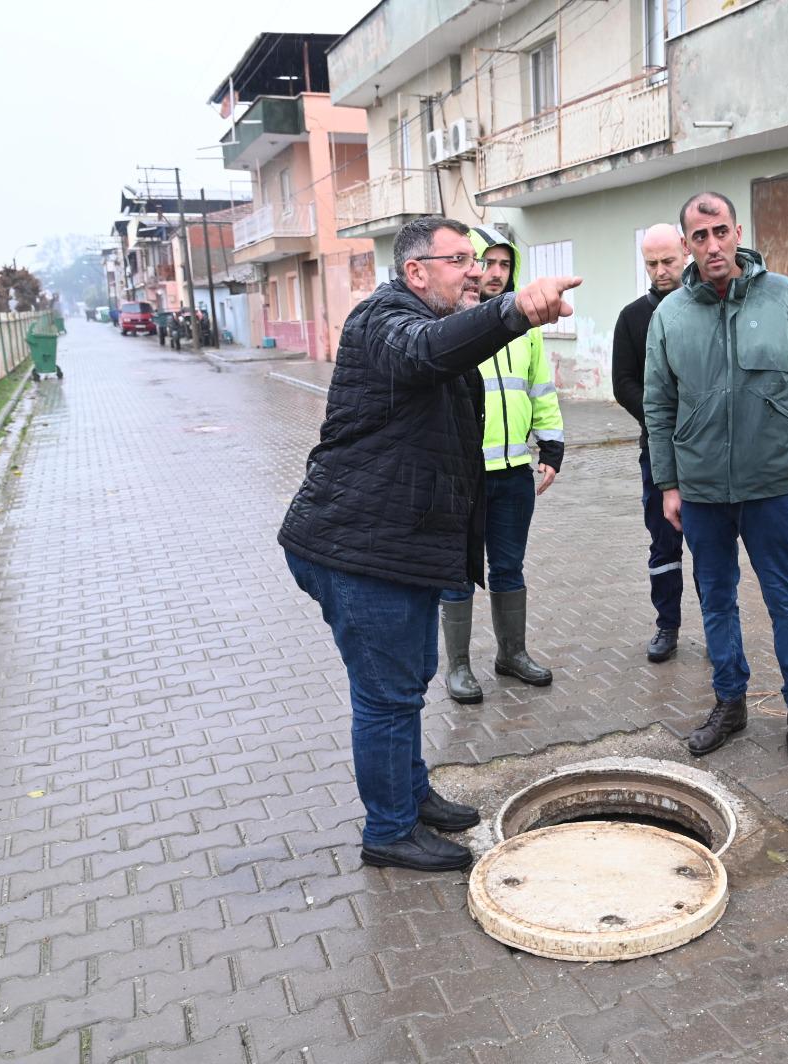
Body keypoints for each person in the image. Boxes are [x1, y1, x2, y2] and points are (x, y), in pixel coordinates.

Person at [279, 216, 580, 873]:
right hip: (358, 548)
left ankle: (410, 796)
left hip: (396, 544)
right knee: (387, 696)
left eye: (478, 260)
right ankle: (389, 831)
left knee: (407, 684)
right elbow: (425, 350)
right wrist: (514, 309)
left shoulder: (427, 322)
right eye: (458, 261)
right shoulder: (381, 322)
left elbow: (446, 354)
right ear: (415, 272)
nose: (475, 270)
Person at [644, 191, 788, 762]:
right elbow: (658, 404)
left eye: (721, 232)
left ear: (738, 232)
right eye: (699, 237)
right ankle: (730, 702)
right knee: (717, 600)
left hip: (771, 482)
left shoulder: (784, 298)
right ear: (686, 246)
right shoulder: (670, 316)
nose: (712, 245)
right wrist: (669, 484)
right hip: (702, 488)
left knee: (784, 596)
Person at [438, 226, 565, 705]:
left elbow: (540, 392)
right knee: (456, 572)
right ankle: (459, 667)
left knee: (509, 567)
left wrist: (551, 447)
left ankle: (511, 654)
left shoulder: (525, 327)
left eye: (504, 264)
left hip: (513, 472)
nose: (495, 273)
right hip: (461, 476)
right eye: (486, 263)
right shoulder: (451, 321)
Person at [612, 223, 695, 663]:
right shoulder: (632, 317)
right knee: (663, 542)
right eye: (651, 263)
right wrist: (661, 420)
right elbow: (622, 382)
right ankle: (668, 625)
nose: (661, 271)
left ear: (685, 251)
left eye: (668, 261)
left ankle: (721, 627)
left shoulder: (708, 308)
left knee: (712, 544)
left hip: (709, 453)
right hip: (659, 452)